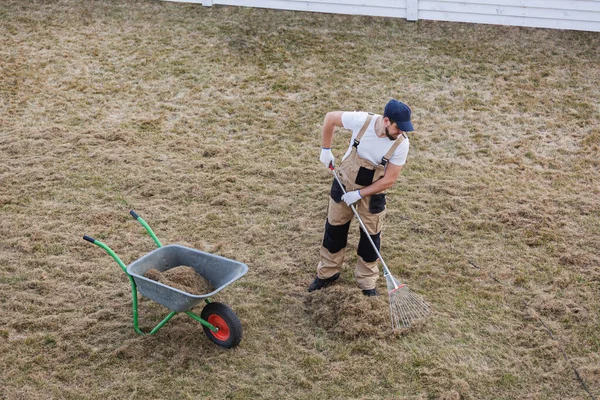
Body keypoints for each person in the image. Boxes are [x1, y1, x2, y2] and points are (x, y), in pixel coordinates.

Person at [308, 99, 413, 296]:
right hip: (343, 182)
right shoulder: (362, 121)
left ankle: (367, 282)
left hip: (373, 193)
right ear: (386, 121)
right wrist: (325, 149)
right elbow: (330, 118)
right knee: (334, 229)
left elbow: (389, 179)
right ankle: (328, 273)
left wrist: (358, 194)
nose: (401, 132)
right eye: (399, 127)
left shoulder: (401, 144)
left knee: (370, 237)